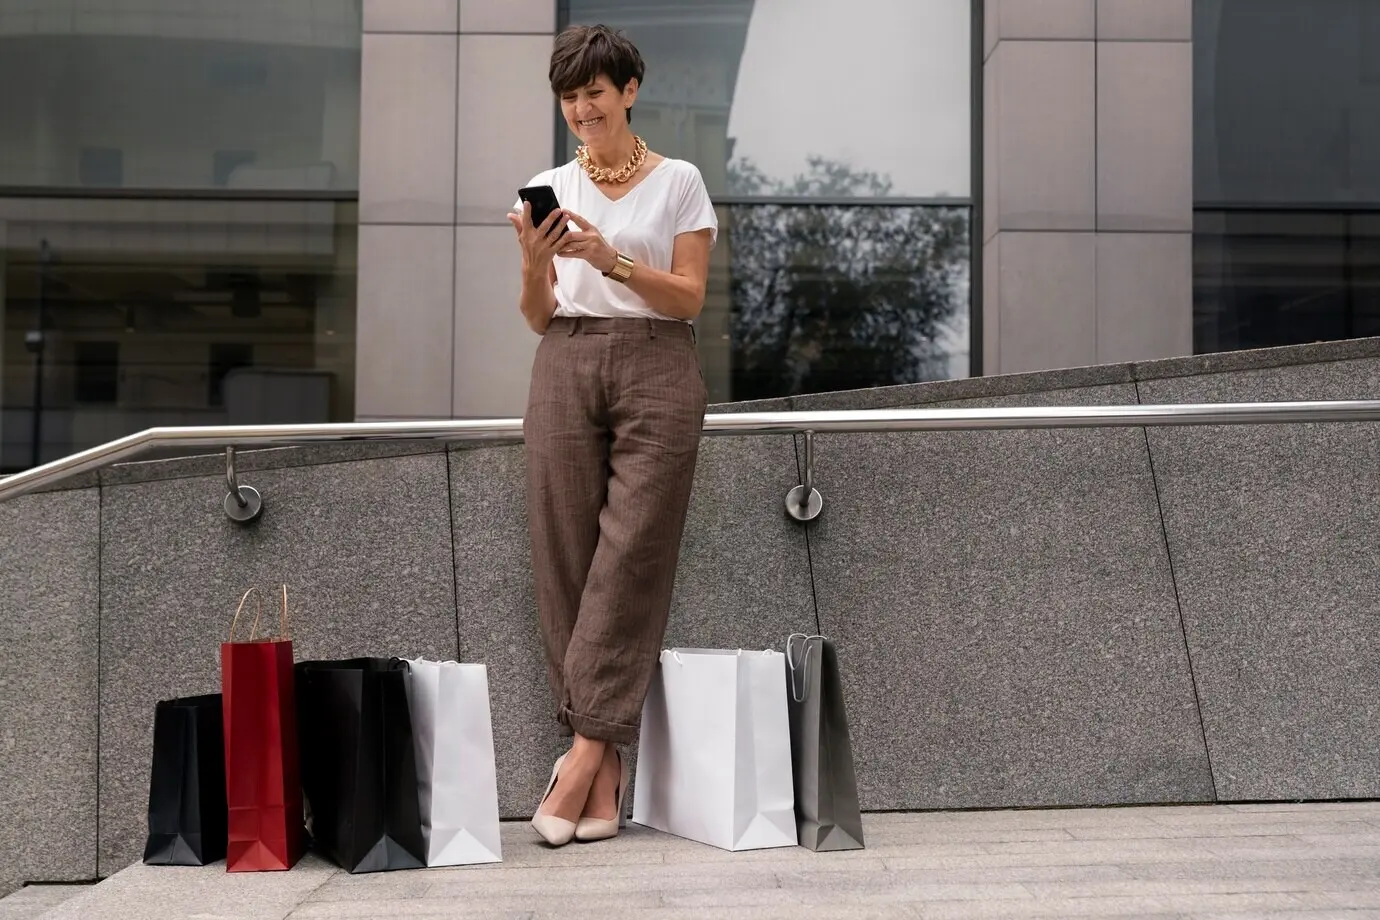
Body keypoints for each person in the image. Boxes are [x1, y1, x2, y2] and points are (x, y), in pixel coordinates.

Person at [507, 24, 717, 847]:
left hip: (660, 365)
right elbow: (537, 315)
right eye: (570, 95)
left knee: (633, 552)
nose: (582, 108)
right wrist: (536, 257)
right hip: (566, 357)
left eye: (595, 91)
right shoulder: (547, 187)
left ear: (629, 90)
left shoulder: (681, 184)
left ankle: (583, 751)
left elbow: (690, 298)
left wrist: (609, 257)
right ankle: (608, 771)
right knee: (563, 552)